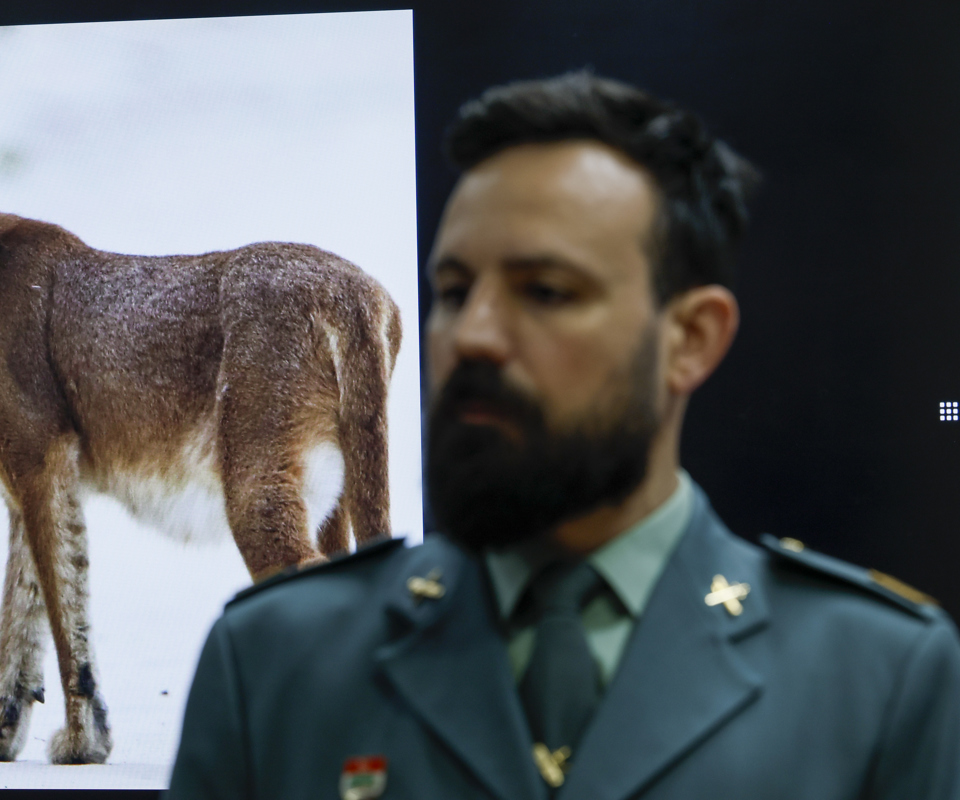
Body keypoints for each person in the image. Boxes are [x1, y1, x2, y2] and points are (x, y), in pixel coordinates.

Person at [168, 72, 960, 799]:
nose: (471, 334)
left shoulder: (875, 677)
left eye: (545, 290)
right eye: (453, 289)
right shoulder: (273, 661)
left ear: (691, 338)